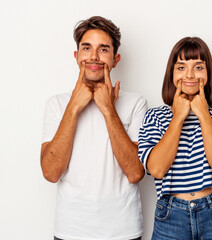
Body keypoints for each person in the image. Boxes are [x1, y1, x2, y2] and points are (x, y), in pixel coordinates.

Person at [41, 16, 147, 240]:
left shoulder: (136, 103)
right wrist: (73, 108)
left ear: (115, 59)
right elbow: (51, 173)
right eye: (86, 48)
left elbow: (136, 172)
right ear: (76, 56)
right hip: (70, 230)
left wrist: (109, 109)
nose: (94, 57)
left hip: (123, 231)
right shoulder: (56, 104)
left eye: (103, 49)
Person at [138, 37, 212, 239]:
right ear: (172, 74)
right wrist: (178, 118)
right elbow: (156, 169)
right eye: (181, 67)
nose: (190, 75)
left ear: (208, 73)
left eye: (199, 67)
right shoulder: (154, 116)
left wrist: (203, 115)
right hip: (170, 216)